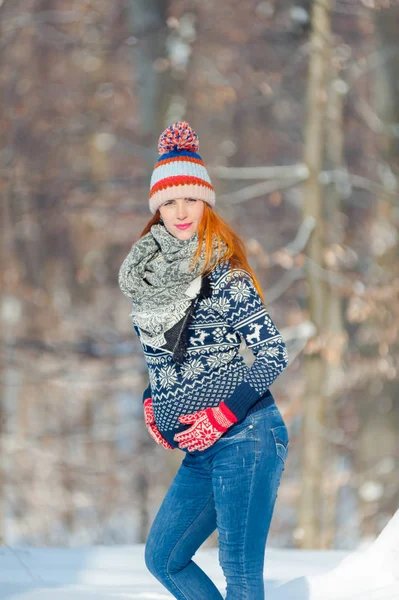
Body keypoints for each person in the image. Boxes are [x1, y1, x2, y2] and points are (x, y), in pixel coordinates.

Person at [118, 121, 290, 600]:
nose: (180, 211)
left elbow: (274, 353)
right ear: (157, 208)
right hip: (199, 448)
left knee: (238, 568)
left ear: (206, 202)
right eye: (169, 201)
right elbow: (163, 356)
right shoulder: (150, 279)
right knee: (164, 558)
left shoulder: (224, 272)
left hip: (246, 435)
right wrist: (153, 400)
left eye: (190, 198)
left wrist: (221, 413)